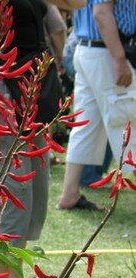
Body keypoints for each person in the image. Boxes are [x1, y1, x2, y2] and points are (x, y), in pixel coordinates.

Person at [0, 0, 86, 278]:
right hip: (3, 97)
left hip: (30, 98)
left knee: (33, 193)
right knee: (11, 196)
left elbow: (78, 3)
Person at [58, 0, 136, 210]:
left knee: (85, 125)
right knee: (129, 121)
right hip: (108, 52)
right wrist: (119, 59)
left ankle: (69, 193)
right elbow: (101, 13)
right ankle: (69, 193)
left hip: (88, 48)